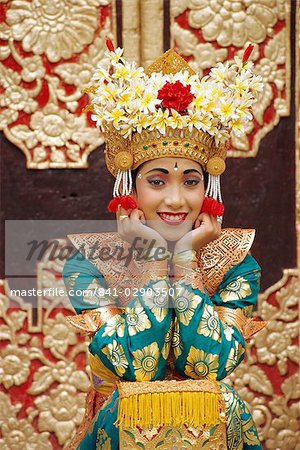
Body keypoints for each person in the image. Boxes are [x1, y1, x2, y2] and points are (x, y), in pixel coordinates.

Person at [62, 40, 266, 449]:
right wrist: (157, 261)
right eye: (157, 181)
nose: (176, 199)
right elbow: (137, 368)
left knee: (220, 399)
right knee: (128, 404)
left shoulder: (236, 262)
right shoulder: (90, 264)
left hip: (214, 427)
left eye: (191, 182)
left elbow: (210, 365)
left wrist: (187, 258)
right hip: (120, 427)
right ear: (129, 187)